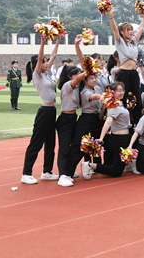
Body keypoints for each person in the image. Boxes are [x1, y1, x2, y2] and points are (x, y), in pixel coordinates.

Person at [21, 36, 61, 185]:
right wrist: (43, 40)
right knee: (36, 143)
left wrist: (57, 40)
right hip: (44, 111)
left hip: (51, 112)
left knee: (50, 143)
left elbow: (54, 55)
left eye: (46, 61)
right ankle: (26, 173)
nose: (46, 62)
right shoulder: (37, 75)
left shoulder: (47, 73)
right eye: (44, 61)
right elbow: (39, 58)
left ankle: (47, 171)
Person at [107, 4, 144, 125]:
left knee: (137, 100)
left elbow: (140, 29)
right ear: (122, 32)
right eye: (128, 30)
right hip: (124, 74)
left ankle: (137, 123)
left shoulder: (134, 42)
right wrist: (111, 15)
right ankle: (123, 123)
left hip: (134, 74)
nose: (131, 32)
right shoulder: (120, 42)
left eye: (132, 30)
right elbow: (115, 28)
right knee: (123, 99)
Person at [82, 82, 133, 179]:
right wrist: (100, 138)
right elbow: (107, 123)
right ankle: (89, 166)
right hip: (120, 140)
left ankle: (129, 164)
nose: (122, 92)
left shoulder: (119, 104)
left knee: (110, 165)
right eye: (119, 91)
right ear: (112, 93)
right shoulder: (114, 107)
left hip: (122, 139)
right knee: (116, 172)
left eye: (122, 90)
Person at [55, 36, 87, 187]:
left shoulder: (77, 87)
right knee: (63, 148)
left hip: (73, 118)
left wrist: (77, 45)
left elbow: (84, 68)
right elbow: (85, 72)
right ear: (70, 76)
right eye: (77, 74)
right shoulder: (68, 85)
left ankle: (67, 171)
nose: (79, 76)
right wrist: (87, 69)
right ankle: (62, 176)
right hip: (65, 120)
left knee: (74, 146)